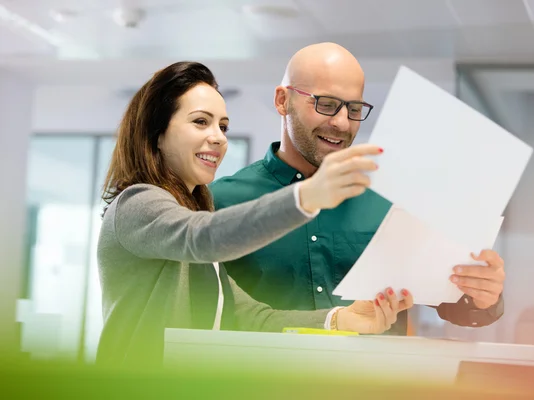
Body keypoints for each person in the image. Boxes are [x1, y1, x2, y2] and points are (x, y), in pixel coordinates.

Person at [96, 61, 415, 368]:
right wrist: (306, 196)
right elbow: (203, 236)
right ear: (157, 133)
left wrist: (339, 319)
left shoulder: (196, 217)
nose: (219, 137)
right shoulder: (136, 204)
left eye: (223, 126)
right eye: (200, 122)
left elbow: (252, 318)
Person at [210, 42, 505, 333]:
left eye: (354, 109)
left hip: (372, 380)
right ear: (282, 101)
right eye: (326, 104)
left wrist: (481, 294)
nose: (341, 123)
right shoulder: (219, 204)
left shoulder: (392, 200)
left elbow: (451, 300)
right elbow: (213, 314)